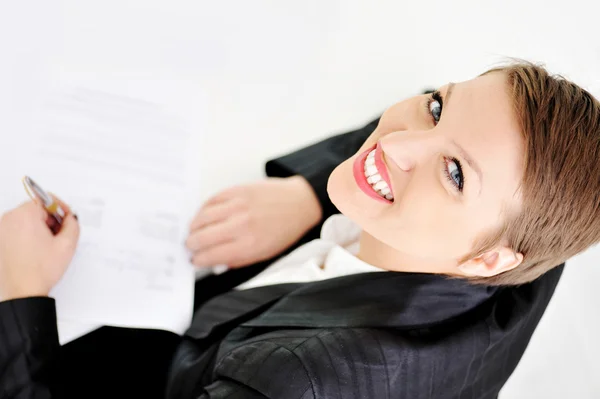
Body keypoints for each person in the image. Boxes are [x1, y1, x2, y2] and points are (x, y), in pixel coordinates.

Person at [0, 61, 598, 399]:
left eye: (453, 173)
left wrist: (18, 293)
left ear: (490, 261)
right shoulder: (535, 235)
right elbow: (460, 119)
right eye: (438, 108)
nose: (395, 141)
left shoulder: (287, 384)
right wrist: (307, 193)